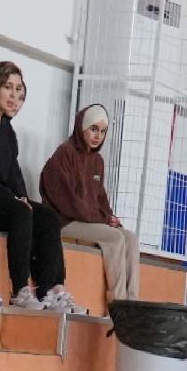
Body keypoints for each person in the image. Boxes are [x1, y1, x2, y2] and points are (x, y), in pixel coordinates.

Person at [0, 60, 80, 312]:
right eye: (9, 88)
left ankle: (49, 290)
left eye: (19, 91)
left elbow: (13, 173)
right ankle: (20, 290)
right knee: (21, 211)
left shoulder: (7, 131)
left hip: (1, 197)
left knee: (47, 217)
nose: (14, 96)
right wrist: (15, 199)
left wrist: (21, 195)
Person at [39, 104, 139, 307]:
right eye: (93, 129)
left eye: (102, 131)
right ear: (81, 127)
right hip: (66, 221)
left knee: (130, 237)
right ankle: (118, 302)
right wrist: (101, 219)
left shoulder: (98, 161)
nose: (98, 136)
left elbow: (100, 198)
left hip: (89, 220)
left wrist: (109, 217)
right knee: (114, 237)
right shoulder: (64, 154)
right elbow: (67, 203)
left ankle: (133, 301)